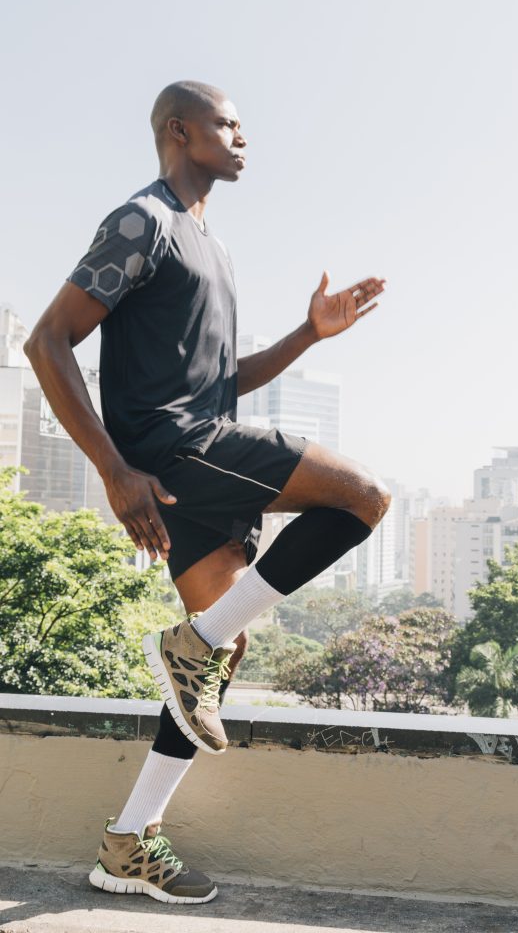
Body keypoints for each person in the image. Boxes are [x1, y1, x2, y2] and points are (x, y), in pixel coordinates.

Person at [24, 80, 390, 905]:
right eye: (227, 125)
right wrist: (114, 468)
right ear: (179, 132)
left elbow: (221, 383)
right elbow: (48, 340)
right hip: (174, 451)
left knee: (218, 653)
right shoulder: (142, 222)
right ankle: (190, 645)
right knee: (365, 498)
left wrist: (308, 334)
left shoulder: (210, 246)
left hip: (203, 437)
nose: (242, 138)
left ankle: (128, 843)